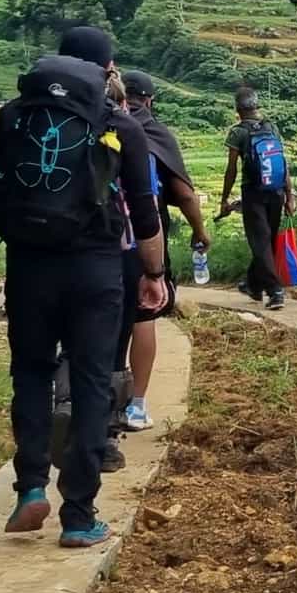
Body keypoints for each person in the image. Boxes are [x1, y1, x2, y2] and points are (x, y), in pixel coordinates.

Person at [0, 25, 165, 549]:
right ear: (109, 71)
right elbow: (145, 214)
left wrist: (27, 235)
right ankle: (79, 515)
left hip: (29, 268)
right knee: (91, 381)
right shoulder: (120, 125)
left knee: (32, 374)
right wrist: (153, 274)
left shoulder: (13, 116)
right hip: (96, 272)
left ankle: (31, 486)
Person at [120, 69, 209, 430]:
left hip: (96, 239)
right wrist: (201, 231)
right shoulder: (153, 131)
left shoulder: (100, 123)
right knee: (143, 316)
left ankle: (84, 399)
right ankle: (136, 405)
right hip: (143, 238)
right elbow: (184, 192)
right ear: (150, 100)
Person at [221, 87, 295, 309]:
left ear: (238, 110)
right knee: (266, 240)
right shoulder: (271, 128)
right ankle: (253, 284)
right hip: (277, 191)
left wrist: (224, 199)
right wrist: (289, 196)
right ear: (256, 106)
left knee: (260, 241)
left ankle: (275, 291)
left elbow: (231, 169)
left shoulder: (238, 132)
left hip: (253, 193)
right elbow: (283, 164)